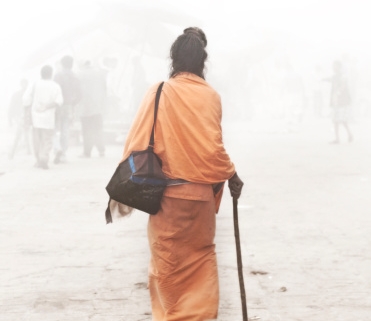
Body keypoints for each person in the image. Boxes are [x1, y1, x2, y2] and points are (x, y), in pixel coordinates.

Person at [114, 27, 244, 320]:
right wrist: (232, 174)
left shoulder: (160, 91)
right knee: (201, 260)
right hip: (200, 201)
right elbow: (214, 149)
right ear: (202, 61)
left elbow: (136, 145)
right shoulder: (211, 96)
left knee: (168, 266)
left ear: (173, 59)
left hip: (168, 200)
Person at [23, 65, 63, 169]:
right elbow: (59, 101)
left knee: (36, 140)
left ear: (41, 73)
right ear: (51, 74)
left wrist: (28, 110)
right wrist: (47, 106)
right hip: (49, 118)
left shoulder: (34, 84)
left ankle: (38, 160)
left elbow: (26, 99)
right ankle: (44, 158)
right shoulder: (55, 86)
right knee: (47, 139)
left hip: (35, 117)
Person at [53, 55, 81, 163]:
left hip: (58, 105)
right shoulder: (75, 77)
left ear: (62, 64)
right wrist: (73, 103)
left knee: (56, 128)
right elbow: (79, 95)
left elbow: (53, 91)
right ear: (72, 64)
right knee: (65, 128)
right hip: (69, 106)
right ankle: (63, 153)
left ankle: (57, 148)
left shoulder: (57, 76)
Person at [77, 60, 107, 157]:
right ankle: (101, 150)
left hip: (85, 107)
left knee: (87, 130)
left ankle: (87, 152)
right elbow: (104, 88)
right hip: (98, 107)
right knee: (98, 129)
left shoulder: (80, 74)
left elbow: (78, 91)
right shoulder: (99, 73)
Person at [324, 60, 353, 144]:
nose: (333, 68)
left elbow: (343, 86)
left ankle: (348, 135)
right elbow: (330, 80)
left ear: (339, 67)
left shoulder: (343, 76)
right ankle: (338, 138)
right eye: (333, 66)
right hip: (335, 101)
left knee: (341, 119)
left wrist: (337, 93)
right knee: (336, 119)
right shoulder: (334, 76)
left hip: (342, 101)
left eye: (335, 66)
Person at [8, 78, 32, 159]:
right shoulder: (18, 94)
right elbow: (11, 107)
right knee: (20, 133)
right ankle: (13, 153)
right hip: (20, 117)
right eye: (23, 84)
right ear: (21, 85)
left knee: (23, 133)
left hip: (25, 117)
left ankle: (13, 153)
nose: (25, 86)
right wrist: (10, 119)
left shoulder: (29, 94)